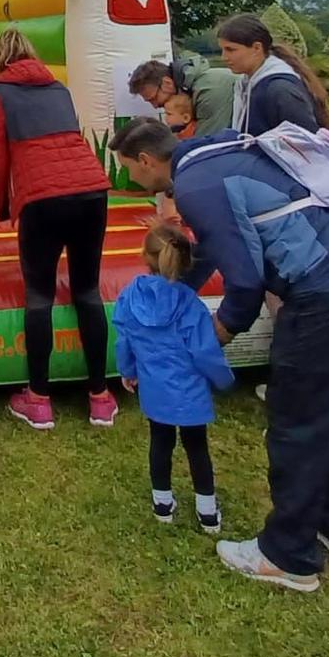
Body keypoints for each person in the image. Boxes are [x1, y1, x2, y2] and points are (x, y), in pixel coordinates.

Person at [107, 117, 329, 594]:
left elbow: (243, 280)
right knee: (323, 416)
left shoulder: (196, 188)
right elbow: (223, 247)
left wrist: (213, 336)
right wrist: (173, 292)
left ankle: (288, 556)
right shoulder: (213, 157)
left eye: (131, 172)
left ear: (146, 161)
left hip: (326, 299)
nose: (131, 181)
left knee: (294, 423)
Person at [0, 27, 115, 429]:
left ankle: (38, 398)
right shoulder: (59, 88)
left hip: (43, 196)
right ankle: (100, 396)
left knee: (39, 293)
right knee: (87, 289)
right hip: (91, 189)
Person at [115, 217, 234, 534]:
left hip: (154, 389)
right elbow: (204, 351)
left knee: (160, 443)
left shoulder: (130, 297)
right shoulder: (189, 304)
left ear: (145, 256)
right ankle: (207, 512)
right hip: (190, 392)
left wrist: (127, 370)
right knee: (197, 448)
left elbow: (124, 338)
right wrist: (224, 380)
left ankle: (162, 504)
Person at [214, 14, 329, 135]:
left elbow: (306, 144)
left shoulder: (280, 89)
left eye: (231, 50)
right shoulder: (246, 84)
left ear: (257, 48)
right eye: (222, 50)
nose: (224, 57)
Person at [127, 56, 234, 135]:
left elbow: (209, 146)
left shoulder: (209, 91)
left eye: (153, 98)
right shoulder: (197, 88)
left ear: (167, 83)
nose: (155, 106)